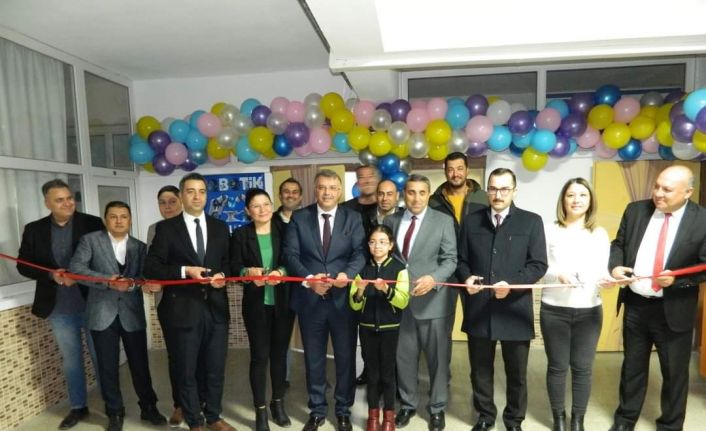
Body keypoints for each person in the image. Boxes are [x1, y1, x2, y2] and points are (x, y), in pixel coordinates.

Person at [608, 165, 706, 431]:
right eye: (657, 186)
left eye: (667, 189)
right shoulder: (635, 210)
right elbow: (618, 244)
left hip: (674, 308)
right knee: (632, 367)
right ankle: (625, 419)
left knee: (674, 372)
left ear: (688, 192)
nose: (658, 193)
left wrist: (678, 280)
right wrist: (615, 267)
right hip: (636, 304)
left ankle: (671, 425)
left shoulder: (702, 220)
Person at [456, 168, 548, 431]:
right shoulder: (471, 221)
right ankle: (485, 415)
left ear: (514, 191)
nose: (498, 194)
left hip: (515, 309)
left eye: (504, 189)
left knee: (516, 372)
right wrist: (466, 277)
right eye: (493, 188)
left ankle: (514, 419)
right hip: (480, 309)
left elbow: (538, 264)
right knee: (480, 370)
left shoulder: (531, 221)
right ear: (487, 190)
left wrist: (513, 286)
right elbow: (461, 260)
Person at [144, 172, 234, 431]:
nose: (197, 196)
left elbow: (228, 262)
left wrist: (223, 276)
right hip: (181, 309)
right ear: (182, 196)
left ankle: (214, 416)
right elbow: (152, 266)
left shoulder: (220, 227)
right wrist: (185, 271)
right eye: (191, 191)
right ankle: (195, 421)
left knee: (215, 368)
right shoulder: (166, 229)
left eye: (202, 191)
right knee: (186, 370)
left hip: (216, 309)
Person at [69, 201, 166, 431]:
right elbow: (76, 269)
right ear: (105, 220)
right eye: (113, 216)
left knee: (140, 365)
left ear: (130, 220)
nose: (119, 220)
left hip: (132, 314)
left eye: (124, 216)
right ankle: (114, 411)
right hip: (101, 314)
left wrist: (132, 284)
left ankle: (148, 407)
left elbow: (144, 276)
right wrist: (107, 281)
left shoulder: (140, 247)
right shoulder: (90, 241)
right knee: (107, 367)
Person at [17, 179, 104, 430]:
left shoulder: (92, 223)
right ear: (47, 203)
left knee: (102, 357)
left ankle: (112, 405)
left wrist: (80, 275)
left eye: (69, 198)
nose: (67, 203)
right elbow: (23, 265)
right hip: (59, 308)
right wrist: (50, 275)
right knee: (71, 360)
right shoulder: (34, 229)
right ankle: (78, 407)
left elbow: (104, 258)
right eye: (60, 200)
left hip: (93, 303)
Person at [282, 169, 366, 431]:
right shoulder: (300, 218)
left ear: (340, 191)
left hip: (342, 301)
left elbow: (360, 253)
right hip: (310, 301)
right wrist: (309, 280)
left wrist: (347, 275)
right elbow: (290, 254)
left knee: (345, 358)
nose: (327, 192)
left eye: (332, 187)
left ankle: (343, 410)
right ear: (315, 190)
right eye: (322, 187)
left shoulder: (353, 218)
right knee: (314, 359)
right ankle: (317, 410)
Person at [383, 174, 457, 431]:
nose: (416, 198)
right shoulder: (391, 221)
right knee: (404, 357)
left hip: (433, 302)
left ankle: (437, 407)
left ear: (428, 194)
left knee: (438, 359)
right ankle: (408, 404)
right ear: (404, 194)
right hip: (401, 302)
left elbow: (450, 259)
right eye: (411, 192)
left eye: (422, 192)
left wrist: (434, 279)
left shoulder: (443, 221)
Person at [540, 178, 613, 431]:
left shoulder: (599, 233)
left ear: (590, 201)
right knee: (557, 367)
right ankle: (559, 418)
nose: (576, 200)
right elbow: (541, 266)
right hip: (554, 309)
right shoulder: (549, 230)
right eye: (571, 195)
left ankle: (578, 419)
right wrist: (558, 274)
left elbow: (602, 270)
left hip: (589, 311)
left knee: (583, 368)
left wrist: (607, 280)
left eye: (583, 195)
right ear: (563, 200)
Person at [230, 188, 295, 431]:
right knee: (259, 357)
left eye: (266, 204)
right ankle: (260, 411)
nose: (262, 209)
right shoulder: (241, 235)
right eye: (256, 206)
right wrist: (247, 272)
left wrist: (282, 272)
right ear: (248, 211)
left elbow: (293, 260)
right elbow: (233, 266)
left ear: (272, 205)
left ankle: (278, 403)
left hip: (283, 304)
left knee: (279, 355)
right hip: (256, 304)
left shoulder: (285, 230)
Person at [349, 225, 410, 431]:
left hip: (390, 328)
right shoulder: (362, 269)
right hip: (366, 327)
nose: (377, 246)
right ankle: (373, 417)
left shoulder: (400, 269)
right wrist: (359, 291)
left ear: (391, 245)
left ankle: (389, 417)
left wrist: (386, 289)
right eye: (373, 242)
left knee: (387, 374)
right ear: (368, 245)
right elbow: (354, 305)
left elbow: (402, 301)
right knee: (372, 374)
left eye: (383, 242)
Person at [146, 185, 197, 428]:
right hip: (169, 302)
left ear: (182, 201)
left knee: (201, 356)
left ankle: (199, 401)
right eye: (162, 202)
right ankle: (180, 404)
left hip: (197, 300)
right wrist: (151, 281)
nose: (167, 206)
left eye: (172, 201)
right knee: (176, 356)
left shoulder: (194, 224)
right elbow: (151, 265)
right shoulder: (155, 229)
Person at [429, 152, 486, 235]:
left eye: (460, 169)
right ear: (445, 173)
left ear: (467, 171)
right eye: (450, 170)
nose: (455, 174)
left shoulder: (483, 197)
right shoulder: (433, 202)